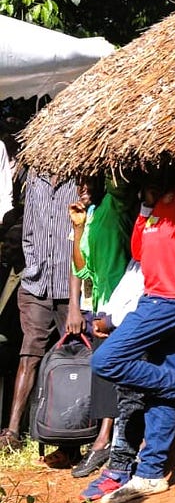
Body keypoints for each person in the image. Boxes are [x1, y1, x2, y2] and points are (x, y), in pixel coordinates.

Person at [89, 170, 175, 503]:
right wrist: (146, 206)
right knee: (161, 384)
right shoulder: (155, 207)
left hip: (174, 298)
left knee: (105, 359)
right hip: (154, 296)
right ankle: (151, 473)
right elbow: (138, 251)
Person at [0, 169, 78, 460]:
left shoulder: (79, 178)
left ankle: (69, 440)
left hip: (70, 285)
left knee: (72, 359)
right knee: (28, 354)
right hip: (37, 282)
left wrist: (74, 295)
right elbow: (29, 228)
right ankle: (11, 431)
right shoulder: (35, 177)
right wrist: (32, 266)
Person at [67, 178, 135, 478]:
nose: (82, 187)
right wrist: (79, 226)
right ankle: (105, 440)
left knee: (114, 369)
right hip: (99, 303)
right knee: (102, 370)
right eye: (78, 183)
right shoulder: (90, 212)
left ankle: (107, 440)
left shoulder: (112, 203)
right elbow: (80, 268)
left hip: (121, 301)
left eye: (87, 180)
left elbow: (120, 182)